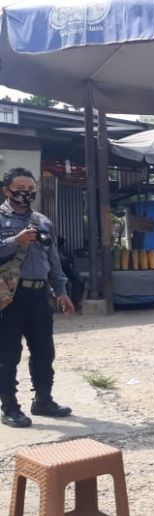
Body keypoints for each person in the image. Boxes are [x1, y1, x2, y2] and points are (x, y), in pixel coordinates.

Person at [0, 167, 75, 428]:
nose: (25, 193)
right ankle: (10, 407)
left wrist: (62, 291)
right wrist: (14, 242)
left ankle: (43, 400)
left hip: (39, 294)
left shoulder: (42, 221)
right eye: (19, 188)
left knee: (44, 350)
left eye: (30, 188)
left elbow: (53, 261)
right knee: (8, 353)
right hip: (10, 296)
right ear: (6, 190)